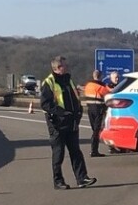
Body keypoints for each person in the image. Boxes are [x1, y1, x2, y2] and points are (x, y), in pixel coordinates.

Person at [40, 55, 96, 190]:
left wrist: (78, 111)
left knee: (76, 151)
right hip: (57, 124)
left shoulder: (68, 80)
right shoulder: (49, 82)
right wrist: (62, 113)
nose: (68, 67)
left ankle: (82, 178)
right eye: (65, 65)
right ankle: (58, 181)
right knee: (58, 153)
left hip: (71, 122)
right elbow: (45, 104)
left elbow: (75, 98)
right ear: (58, 67)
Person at [81, 69, 111, 157]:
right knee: (96, 131)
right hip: (98, 108)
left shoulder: (88, 85)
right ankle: (94, 150)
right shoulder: (100, 86)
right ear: (100, 76)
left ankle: (94, 150)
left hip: (90, 109)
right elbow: (108, 94)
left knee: (94, 129)